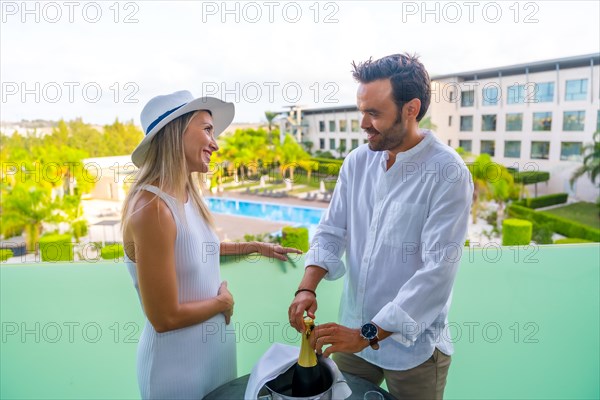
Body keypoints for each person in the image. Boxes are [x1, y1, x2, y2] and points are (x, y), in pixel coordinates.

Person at [288, 54, 473, 400]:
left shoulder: (448, 173)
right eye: (362, 110)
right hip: (352, 341)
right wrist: (306, 288)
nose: (363, 123)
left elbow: (437, 273)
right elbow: (331, 231)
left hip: (414, 351)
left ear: (411, 108)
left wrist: (366, 333)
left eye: (374, 113)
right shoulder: (357, 162)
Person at [121, 90, 302, 399]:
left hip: (211, 360)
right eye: (207, 129)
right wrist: (223, 304)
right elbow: (164, 317)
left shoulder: (187, 196)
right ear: (176, 131)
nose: (215, 143)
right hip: (176, 369)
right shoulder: (152, 208)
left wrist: (257, 246)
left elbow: (197, 249)